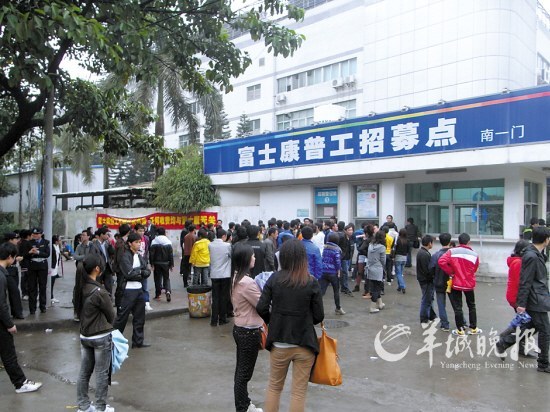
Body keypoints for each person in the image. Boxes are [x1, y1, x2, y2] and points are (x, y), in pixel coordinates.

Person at [256, 239, 324, 412]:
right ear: (303, 258)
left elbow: (261, 307)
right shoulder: (311, 281)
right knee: (298, 392)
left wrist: (273, 321)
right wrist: (305, 320)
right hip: (304, 343)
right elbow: (319, 316)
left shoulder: (274, 279)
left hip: (279, 342)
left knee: (274, 387)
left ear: (283, 257)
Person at [74, 254, 115, 412]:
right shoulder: (99, 291)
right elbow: (111, 315)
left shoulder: (79, 288)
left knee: (84, 372)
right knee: (101, 374)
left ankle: (83, 406)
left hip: (85, 335)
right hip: (100, 337)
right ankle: (100, 407)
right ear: (97, 269)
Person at [0, 242, 42, 394]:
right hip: (1, 324)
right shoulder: (1, 276)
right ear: (10, 257)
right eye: (14, 257)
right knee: (8, 354)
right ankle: (20, 383)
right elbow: (1, 304)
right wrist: (9, 324)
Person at [230, 243, 263, 412]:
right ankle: (242, 407)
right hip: (249, 332)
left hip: (240, 328)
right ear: (246, 259)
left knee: (241, 371)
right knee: (244, 374)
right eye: (252, 255)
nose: (254, 258)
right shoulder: (247, 283)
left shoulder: (236, 277)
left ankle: (245, 403)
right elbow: (262, 305)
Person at [514, 227, 550, 373]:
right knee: (545, 331)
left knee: (531, 326)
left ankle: (504, 341)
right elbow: (525, 281)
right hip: (536, 299)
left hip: (538, 297)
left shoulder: (536, 254)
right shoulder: (531, 256)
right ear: (546, 239)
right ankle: (543, 363)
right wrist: (521, 304)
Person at [495, 239, 534, 357]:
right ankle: (504, 338)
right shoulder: (518, 263)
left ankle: (517, 346)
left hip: (515, 296)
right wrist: (523, 301)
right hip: (517, 298)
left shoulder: (517, 261)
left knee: (523, 322)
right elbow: (520, 283)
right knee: (528, 323)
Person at [113, 232, 151, 348]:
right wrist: (141, 272)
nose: (139, 244)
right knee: (122, 317)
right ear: (130, 243)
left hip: (139, 289)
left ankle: (138, 341)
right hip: (128, 290)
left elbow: (147, 271)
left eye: (140, 242)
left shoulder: (139, 256)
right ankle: (114, 341)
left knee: (140, 317)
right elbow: (129, 274)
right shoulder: (125, 256)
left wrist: (139, 272)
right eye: (136, 242)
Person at [439, 232, 480, 336]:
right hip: (469, 283)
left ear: (459, 241)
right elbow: (475, 269)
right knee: (471, 305)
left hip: (456, 282)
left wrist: (451, 272)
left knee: (458, 307)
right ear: (468, 242)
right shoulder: (474, 255)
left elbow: (441, 261)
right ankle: (473, 328)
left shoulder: (452, 251)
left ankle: (460, 330)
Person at [20, 227, 50, 314]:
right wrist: (30, 252)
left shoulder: (46, 242)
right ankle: (32, 308)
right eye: (34, 234)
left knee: (42, 287)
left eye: (37, 234)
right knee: (32, 287)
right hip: (32, 266)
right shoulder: (29, 243)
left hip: (42, 266)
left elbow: (47, 254)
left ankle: (42, 306)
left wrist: (38, 252)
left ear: (41, 234)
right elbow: (24, 255)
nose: (35, 235)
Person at [208, 228, 232, 326]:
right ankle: (222, 319)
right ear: (224, 236)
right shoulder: (227, 246)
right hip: (225, 274)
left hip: (214, 274)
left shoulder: (210, 245)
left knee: (215, 297)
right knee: (223, 297)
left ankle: (214, 320)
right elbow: (230, 256)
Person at [430, 233, 452, 331]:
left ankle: (445, 324)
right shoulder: (452, 254)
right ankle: (462, 323)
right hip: (451, 282)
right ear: (450, 241)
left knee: (441, 304)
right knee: (456, 304)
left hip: (439, 282)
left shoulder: (435, 255)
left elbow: (431, 269)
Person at [320, 232, 345, 315]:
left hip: (324, 271)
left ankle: (315, 307)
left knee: (321, 291)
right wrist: (339, 270)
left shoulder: (324, 247)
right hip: (333, 273)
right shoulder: (337, 249)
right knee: (336, 291)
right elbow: (337, 261)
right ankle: (338, 308)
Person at [149, 227, 174, 303]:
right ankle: (168, 291)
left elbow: (151, 254)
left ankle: (158, 294)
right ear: (164, 233)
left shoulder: (154, 242)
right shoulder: (168, 242)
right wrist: (171, 265)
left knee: (157, 279)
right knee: (166, 278)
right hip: (166, 263)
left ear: (157, 233)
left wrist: (151, 263)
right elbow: (171, 255)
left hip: (156, 263)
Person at [3, 232, 24, 319]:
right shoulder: (4, 247)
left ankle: (15, 312)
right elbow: (4, 258)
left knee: (14, 291)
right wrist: (16, 259)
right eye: (15, 239)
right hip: (8, 270)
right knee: (15, 291)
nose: (17, 240)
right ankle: (18, 313)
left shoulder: (15, 246)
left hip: (14, 270)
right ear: (10, 239)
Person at [416, 235, 436, 325]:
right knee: (426, 299)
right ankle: (424, 318)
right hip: (426, 280)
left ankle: (431, 315)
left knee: (429, 298)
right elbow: (427, 270)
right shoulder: (424, 254)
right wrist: (432, 277)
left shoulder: (422, 252)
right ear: (429, 243)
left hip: (423, 279)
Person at [367, 231, 387, 313]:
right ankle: (372, 307)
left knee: (375, 287)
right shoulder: (382, 247)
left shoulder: (370, 245)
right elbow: (383, 260)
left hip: (370, 268)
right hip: (378, 269)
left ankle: (380, 304)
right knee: (376, 289)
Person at [393, 228, 410, 293]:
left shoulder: (398, 240)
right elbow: (408, 250)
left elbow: (394, 248)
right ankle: (399, 287)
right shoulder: (407, 240)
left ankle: (402, 286)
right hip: (404, 258)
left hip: (398, 257)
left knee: (398, 273)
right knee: (400, 273)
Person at [50, 235, 63, 304]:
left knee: (53, 281)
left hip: (55, 266)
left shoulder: (58, 246)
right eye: (59, 240)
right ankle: (51, 296)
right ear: (56, 241)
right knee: (50, 282)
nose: (60, 241)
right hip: (52, 267)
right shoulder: (51, 247)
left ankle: (51, 296)